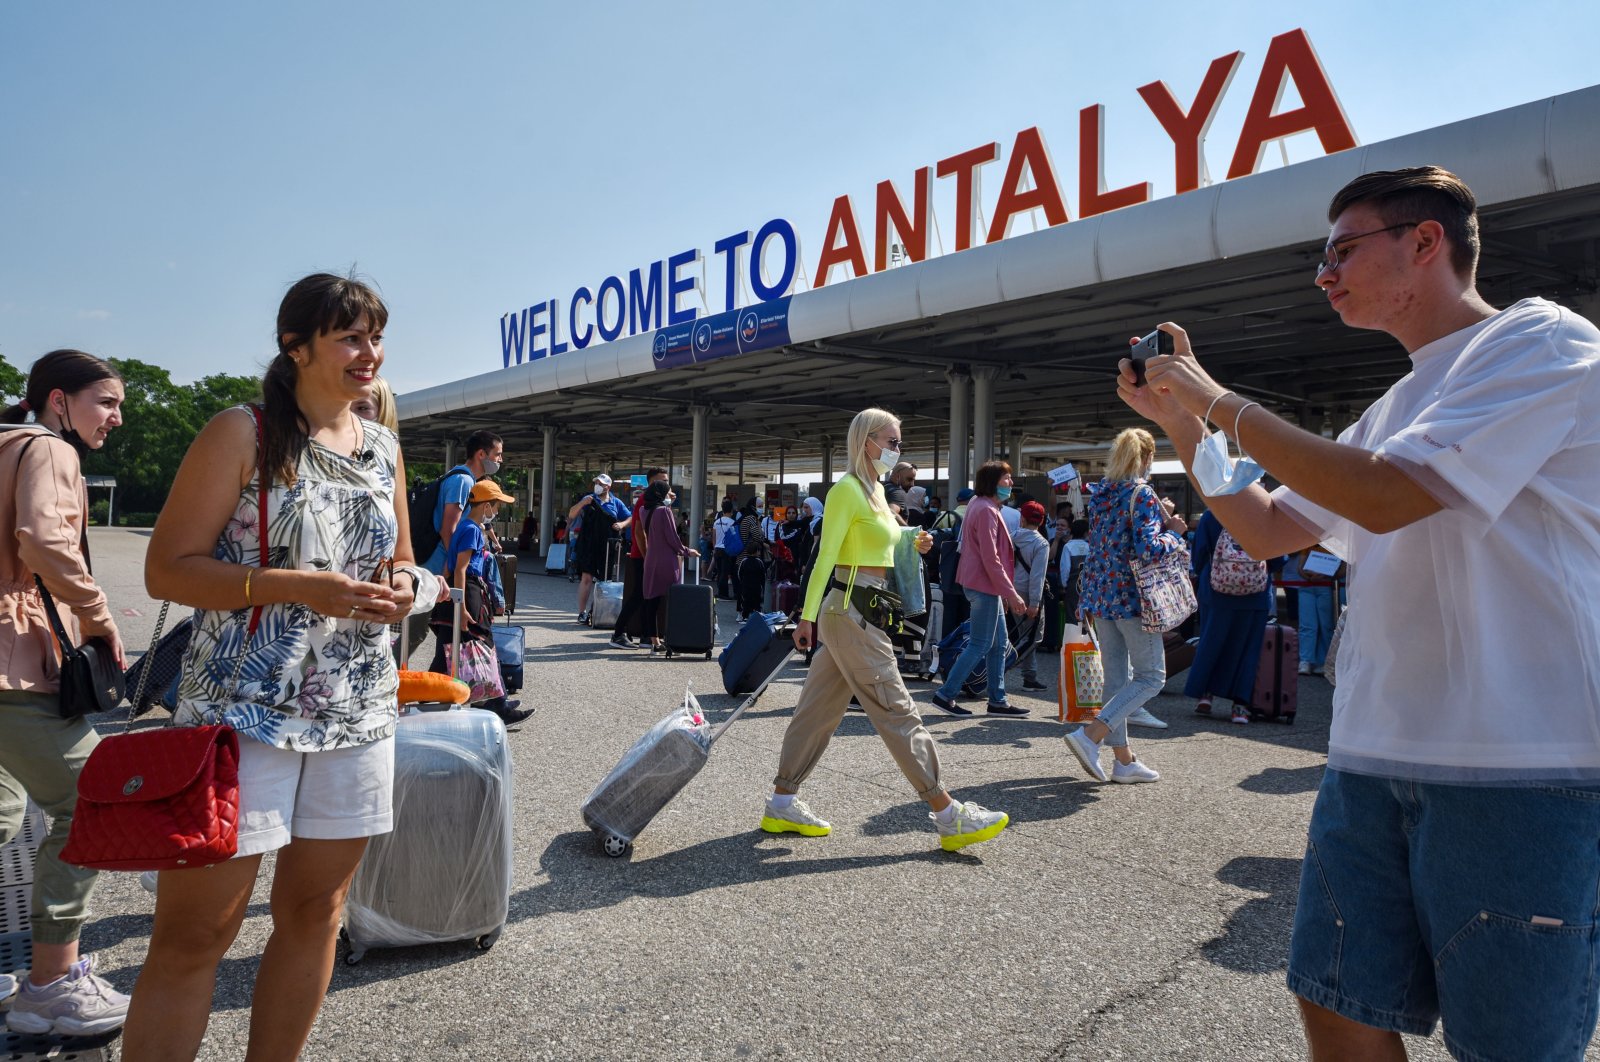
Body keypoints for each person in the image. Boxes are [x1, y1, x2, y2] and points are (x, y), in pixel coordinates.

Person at [1122, 165, 1600, 1060]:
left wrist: (1215, 398)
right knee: (1337, 1001)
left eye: (1342, 250)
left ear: (1426, 243)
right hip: (1373, 755)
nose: (1324, 274)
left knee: (1513, 1043)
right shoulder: (1395, 404)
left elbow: (1384, 497)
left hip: (1524, 766)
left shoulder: (1543, 341)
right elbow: (1264, 528)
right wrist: (1180, 421)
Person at [124, 273, 436, 1061]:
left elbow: (404, 558)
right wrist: (295, 585)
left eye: (375, 336)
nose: (371, 353)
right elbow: (168, 570)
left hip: (356, 710)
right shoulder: (243, 432)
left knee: (317, 912)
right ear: (296, 346)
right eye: (351, 337)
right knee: (199, 931)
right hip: (240, 712)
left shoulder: (384, 446)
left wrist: (404, 586)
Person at [761, 408, 1009, 852]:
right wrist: (807, 615)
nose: (897, 451)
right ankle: (947, 813)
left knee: (816, 714)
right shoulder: (847, 491)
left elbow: (881, 542)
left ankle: (782, 800)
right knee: (896, 708)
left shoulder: (875, 491)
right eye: (891, 442)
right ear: (866, 441)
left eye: (898, 443)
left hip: (858, 610)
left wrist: (912, 537)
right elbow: (826, 557)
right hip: (850, 610)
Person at [0, 350, 130, 1036]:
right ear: (58, 400)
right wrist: (103, 620)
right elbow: (46, 541)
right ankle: (49, 985)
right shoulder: (49, 450)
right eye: (105, 402)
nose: (114, 418)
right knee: (91, 804)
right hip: (9, 664)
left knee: (2, 807)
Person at [1061, 429, 1187, 783]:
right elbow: (1148, 549)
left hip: (1101, 594)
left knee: (1115, 680)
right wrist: (1174, 531)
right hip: (1133, 598)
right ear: (1147, 458)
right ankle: (1090, 736)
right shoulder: (1142, 494)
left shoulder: (1102, 493)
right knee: (1151, 677)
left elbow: (1103, 545)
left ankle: (1124, 760)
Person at [930, 460, 1029, 719]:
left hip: (983, 585)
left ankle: (998, 700)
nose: (1010, 482)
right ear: (993, 481)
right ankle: (946, 694)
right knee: (981, 643)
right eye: (1006, 478)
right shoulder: (986, 509)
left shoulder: (979, 504)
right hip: (984, 585)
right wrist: (1011, 592)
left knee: (998, 644)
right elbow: (991, 557)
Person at [432, 479, 530, 724]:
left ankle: (429, 699)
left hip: (456, 593)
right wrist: (461, 607)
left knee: (446, 651)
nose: (496, 511)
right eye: (496, 506)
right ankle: (499, 707)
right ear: (486, 506)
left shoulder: (463, 527)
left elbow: (448, 566)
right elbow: (461, 570)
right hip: (469, 592)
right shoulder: (473, 530)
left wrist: (446, 598)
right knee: (483, 644)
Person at [400, 428, 502, 663]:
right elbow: (449, 529)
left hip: (437, 565)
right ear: (481, 454)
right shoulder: (463, 481)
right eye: (497, 454)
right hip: (437, 566)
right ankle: (387, 678)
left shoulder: (460, 478)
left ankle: (441, 679)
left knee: (437, 628)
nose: (500, 460)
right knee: (417, 629)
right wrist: (454, 569)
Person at [1187, 509, 1282, 724]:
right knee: (1249, 648)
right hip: (1255, 593)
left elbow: (1200, 553)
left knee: (1211, 642)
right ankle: (1240, 706)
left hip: (1216, 589)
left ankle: (1206, 694)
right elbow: (1278, 557)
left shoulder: (1213, 513)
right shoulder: (1264, 513)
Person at [609, 466, 668, 649]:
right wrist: (647, 555)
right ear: (652, 482)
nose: (667, 484)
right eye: (663, 480)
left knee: (647, 597)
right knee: (640, 596)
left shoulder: (654, 501)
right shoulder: (645, 500)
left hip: (646, 555)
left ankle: (646, 636)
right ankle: (618, 633)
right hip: (643, 555)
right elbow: (639, 531)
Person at [639, 481, 699, 651]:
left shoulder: (644, 510)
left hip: (651, 561)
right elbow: (673, 539)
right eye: (668, 493)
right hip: (667, 561)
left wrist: (668, 504)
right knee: (673, 600)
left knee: (651, 602)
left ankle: (654, 641)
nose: (670, 496)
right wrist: (687, 551)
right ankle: (674, 638)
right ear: (661, 494)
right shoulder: (665, 511)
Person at [568, 473, 630, 624]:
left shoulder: (616, 502)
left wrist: (621, 525)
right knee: (586, 578)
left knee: (604, 580)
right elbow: (571, 514)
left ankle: (598, 612)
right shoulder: (588, 498)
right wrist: (582, 504)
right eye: (596, 482)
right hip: (588, 544)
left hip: (608, 545)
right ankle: (581, 613)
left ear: (608, 487)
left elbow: (631, 517)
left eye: (601, 483)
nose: (597, 485)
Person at [1010, 500, 1050, 692]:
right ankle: (1005, 667)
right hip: (1030, 592)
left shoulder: (1011, 538)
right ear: (1041, 521)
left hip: (1012, 590)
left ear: (1022, 518)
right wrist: (1034, 603)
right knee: (1034, 637)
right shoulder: (1041, 543)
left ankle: (1029, 677)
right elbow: (1037, 576)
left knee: (1022, 634)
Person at [1293, 545, 1341, 676]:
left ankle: (1325, 661)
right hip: (1307, 587)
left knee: (1326, 625)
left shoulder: (1336, 544)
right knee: (1307, 625)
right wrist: (1309, 576)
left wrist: (1326, 575)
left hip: (1325, 587)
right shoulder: (1308, 543)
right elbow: (1300, 567)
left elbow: (1341, 568)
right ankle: (1305, 660)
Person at [711, 499, 738, 599]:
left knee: (720, 571)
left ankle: (721, 592)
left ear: (722, 510)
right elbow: (734, 538)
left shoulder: (716, 522)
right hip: (728, 550)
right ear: (731, 510)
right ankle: (725, 594)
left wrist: (714, 549)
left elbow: (713, 537)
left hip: (717, 549)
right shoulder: (732, 523)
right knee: (728, 572)